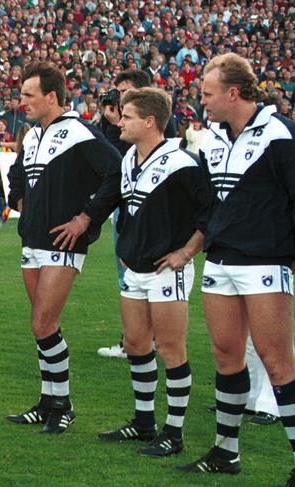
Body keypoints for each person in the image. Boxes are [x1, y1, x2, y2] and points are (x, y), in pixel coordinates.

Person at [177, 53, 295, 486]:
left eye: (207, 94)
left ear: (232, 92)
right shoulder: (212, 139)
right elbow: (209, 205)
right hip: (221, 260)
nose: (202, 102)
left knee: (278, 361)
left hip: (264, 260)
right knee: (227, 356)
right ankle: (226, 452)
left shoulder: (279, 133)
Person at [5, 62, 120, 433]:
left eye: (28, 95)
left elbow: (115, 172)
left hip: (62, 242)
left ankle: (64, 404)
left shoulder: (78, 131)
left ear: (51, 96)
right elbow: (18, 173)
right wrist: (19, 199)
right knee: (42, 326)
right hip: (33, 240)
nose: (21, 101)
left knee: (43, 322)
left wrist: (86, 218)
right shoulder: (34, 134)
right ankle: (48, 401)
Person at [97, 88, 210, 457]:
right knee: (135, 343)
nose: (120, 121)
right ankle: (144, 423)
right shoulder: (129, 157)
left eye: (126, 116)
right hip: (136, 268)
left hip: (166, 270)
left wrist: (186, 252)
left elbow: (211, 215)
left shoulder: (183, 162)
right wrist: (127, 249)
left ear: (149, 121)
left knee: (171, 349)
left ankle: (173, 433)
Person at [97, 69, 178, 360]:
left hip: (152, 212)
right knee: (127, 273)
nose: (120, 98)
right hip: (126, 207)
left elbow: (120, 157)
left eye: (126, 91)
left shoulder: (160, 126)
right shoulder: (122, 123)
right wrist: (110, 123)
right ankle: (137, 339)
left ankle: (144, 341)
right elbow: (113, 163)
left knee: (145, 275)